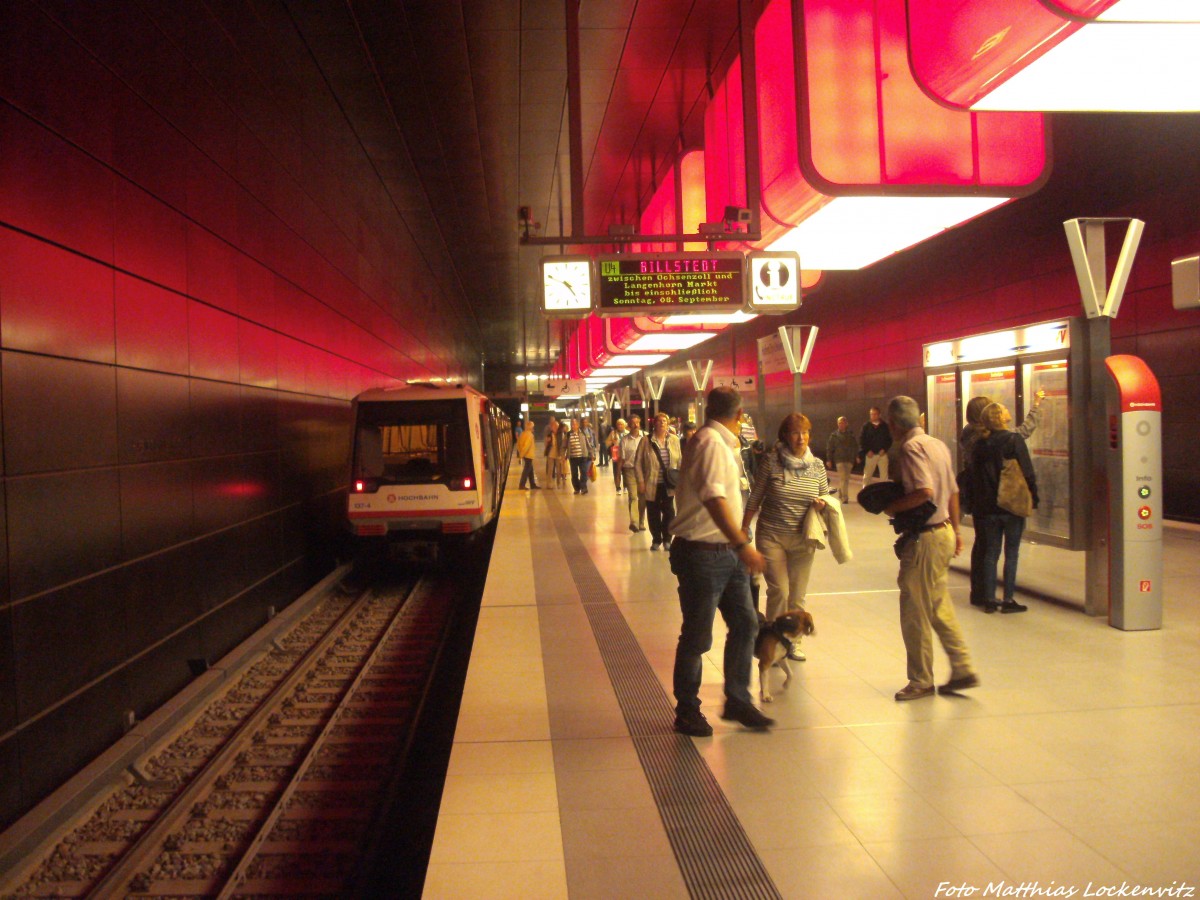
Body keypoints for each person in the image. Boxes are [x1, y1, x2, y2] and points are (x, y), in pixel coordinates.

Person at [668, 386, 774, 736]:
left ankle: (738, 699)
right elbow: (714, 499)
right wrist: (742, 543)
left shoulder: (719, 442)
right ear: (740, 413)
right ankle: (687, 711)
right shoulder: (711, 443)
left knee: (746, 623)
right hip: (702, 554)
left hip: (723, 553)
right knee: (697, 638)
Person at [883, 395, 979, 701]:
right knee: (938, 604)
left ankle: (921, 680)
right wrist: (956, 529)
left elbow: (924, 491)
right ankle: (962, 667)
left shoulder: (911, 448)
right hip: (944, 532)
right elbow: (952, 489)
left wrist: (893, 507)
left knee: (915, 611)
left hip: (924, 538)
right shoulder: (937, 444)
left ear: (894, 424)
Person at [743, 413, 830, 662]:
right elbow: (756, 496)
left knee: (798, 594)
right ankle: (772, 642)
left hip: (803, 537)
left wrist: (823, 503)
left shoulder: (818, 465)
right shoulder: (771, 462)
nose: (800, 438)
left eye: (804, 433)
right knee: (779, 590)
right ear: (785, 436)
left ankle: (794, 642)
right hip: (772, 535)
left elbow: (827, 496)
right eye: (794, 432)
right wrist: (744, 527)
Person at [960, 389, 1045, 610]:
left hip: (984, 505)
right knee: (1011, 552)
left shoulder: (974, 441)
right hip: (1009, 504)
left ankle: (986, 597)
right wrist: (1033, 498)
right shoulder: (1011, 439)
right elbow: (1027, 472)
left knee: (989, 551)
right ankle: (1007, 598)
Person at [635, 412, 682, 551]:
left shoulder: (674, 439)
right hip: (652, 482)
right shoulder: (646, 441)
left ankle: (667, 539)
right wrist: (641, 482)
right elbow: (638, 463)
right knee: (653, 511)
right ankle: (656, 539)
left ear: (668, 424)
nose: (662, 423)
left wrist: (680, 479)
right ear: (654, 424)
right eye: (659, 421)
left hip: (669, 483)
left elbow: (679, 460)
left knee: (669, 512)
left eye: (664, 421)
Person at [620, 415, 646, 531]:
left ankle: (641, 521)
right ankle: (634, 522)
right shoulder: (624, 440)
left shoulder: (645, 437)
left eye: (637, 422)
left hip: (644, 470)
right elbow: (621, 459)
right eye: (633, 423)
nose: (636, 425)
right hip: (629, 470)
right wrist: (617, 475)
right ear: (629, 425)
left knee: (643, 497)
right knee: (633, 496)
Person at [825, 416, 858, 503]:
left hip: (849, 459)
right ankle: (844, 497)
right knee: (843, 478)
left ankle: (841, 492)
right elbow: (830, 448)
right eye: (839, 423)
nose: (841, 425)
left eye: (843, 423)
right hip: (839, 459)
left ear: (846, 424)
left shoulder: (850, 435)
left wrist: (856, 456)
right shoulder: (834, 436)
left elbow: (855, 446)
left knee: (846, 478)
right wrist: (829, 459)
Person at [859, 406, 893, 488]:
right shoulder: (866, 426)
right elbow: (861, 440)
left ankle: (883, 494)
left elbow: (889, 439)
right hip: (870, 455)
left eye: (874, 414)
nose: (873, 416)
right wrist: (867, 451)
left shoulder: (885, 426)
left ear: (879, 415)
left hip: (882, 455)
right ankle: (865, 493)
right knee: (867, 476)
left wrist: (884, 449)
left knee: (884, 477)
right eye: (871, 414)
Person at [565, 417, 594, 494]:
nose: (573, 426)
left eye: (575, 424)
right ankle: (577, 488)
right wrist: (562, 455)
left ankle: (583, 487)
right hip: (573, 457)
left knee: (584, 473)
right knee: (574, 474)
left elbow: (588, 445)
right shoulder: (568, 434)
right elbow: (563, 446)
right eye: (572, 424)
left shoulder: (583, 433)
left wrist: (592, 454)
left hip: (583, 456)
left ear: (578, 425)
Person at [516, 419, 540, 490]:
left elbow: (518, 444)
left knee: (530, 470)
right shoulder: (530, 435)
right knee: (526, 470)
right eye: (533, 427)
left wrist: (521, 453)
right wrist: (521, 455)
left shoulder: (523, 433)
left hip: (525, 455)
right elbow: (527, 446)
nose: (533, 428)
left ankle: (532, 484)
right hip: (528, 455)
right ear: (530, 427)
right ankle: (522, 485)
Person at [607, 418, 628, 492]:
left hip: (625, 455)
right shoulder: (613, 433)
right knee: (616, 471)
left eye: (621, 424)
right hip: (616, 455)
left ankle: (625, 486)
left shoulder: (628, 433)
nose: (620, 426)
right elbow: (607, 443)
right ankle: (618, 488)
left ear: (624, 425)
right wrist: (612, 442)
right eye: (618, 424)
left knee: (625, 471)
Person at [544, 419, 561, 487]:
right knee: (550, 470)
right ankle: (549, 484)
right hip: (551, 453)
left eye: (557, 427)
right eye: (554, 426)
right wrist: (547, 442)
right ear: (552, 427)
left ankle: (558, 482)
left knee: (559, 469)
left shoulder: (560, 434)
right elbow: (546, 444)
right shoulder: (549, 435)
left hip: (558, 454)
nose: (556, 428)